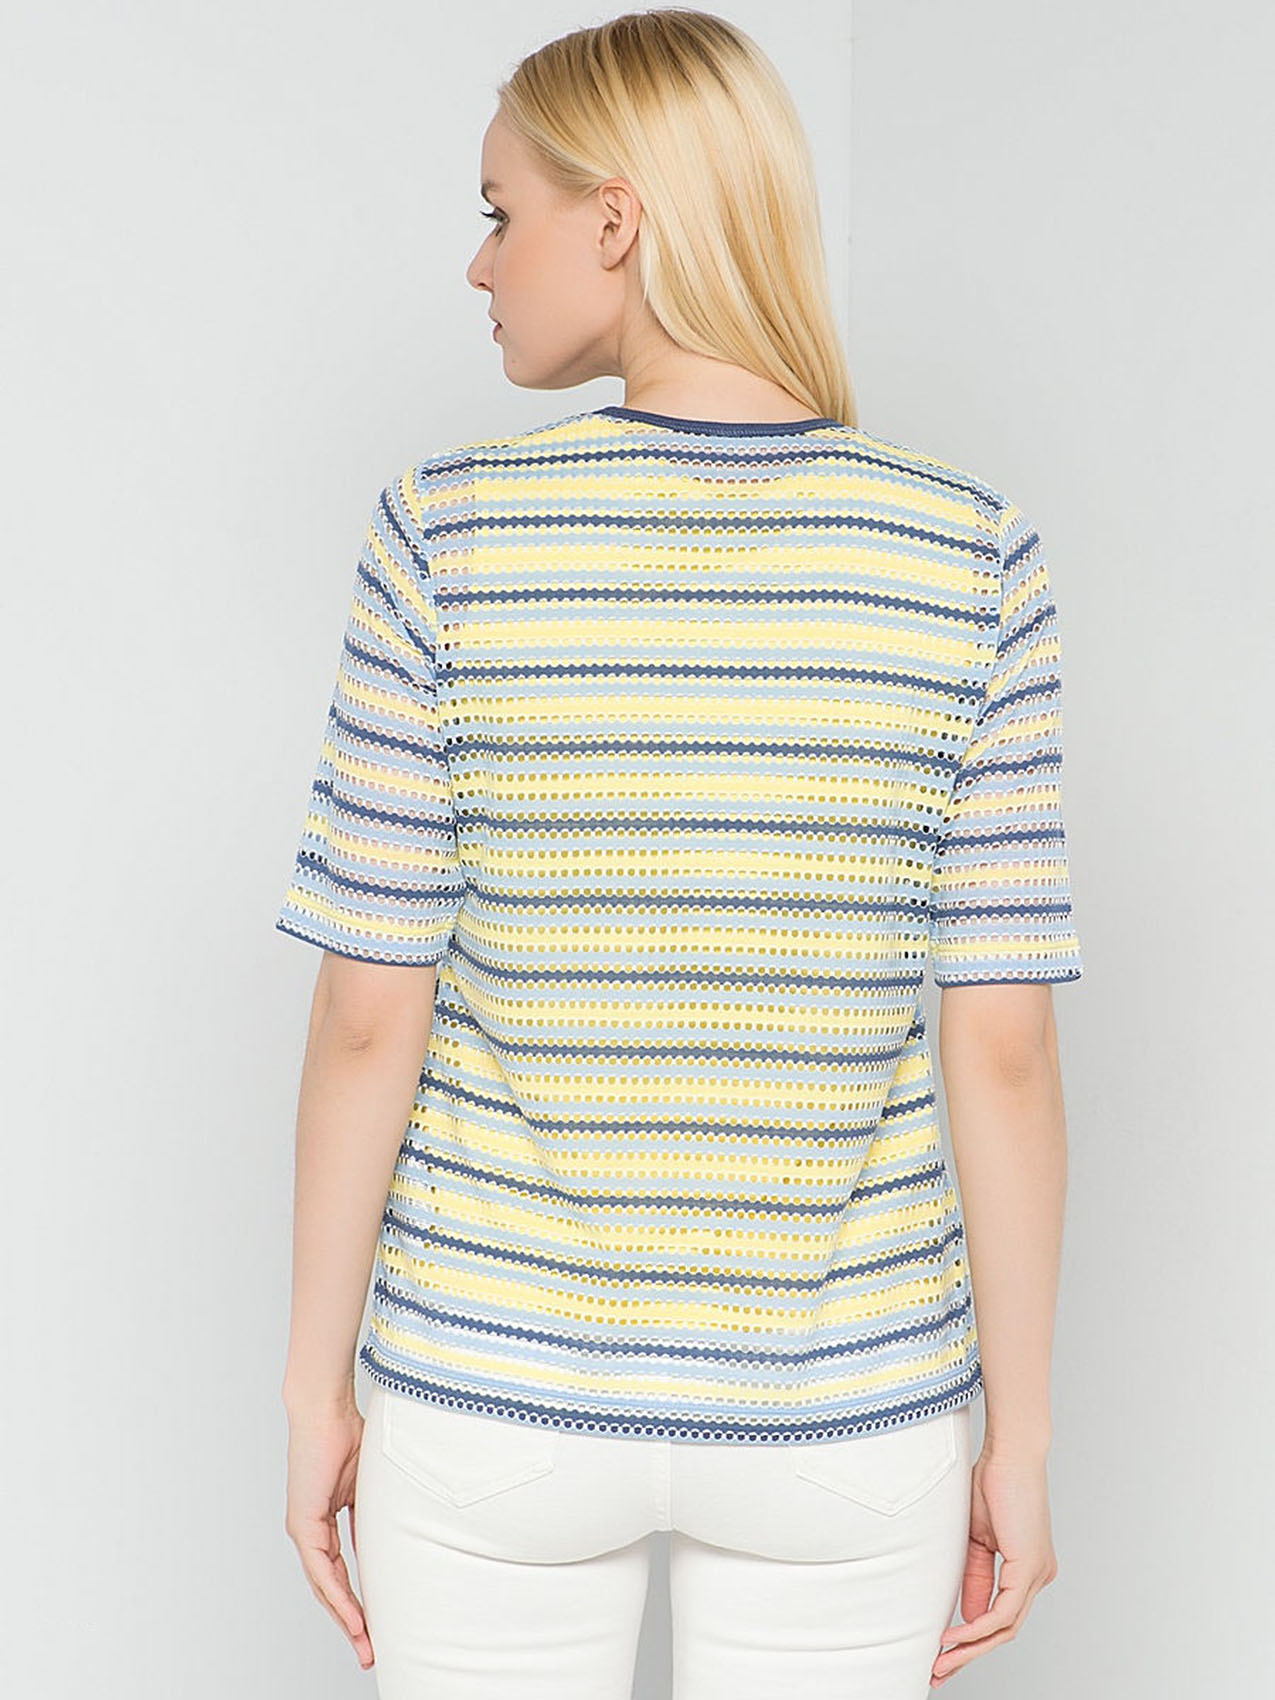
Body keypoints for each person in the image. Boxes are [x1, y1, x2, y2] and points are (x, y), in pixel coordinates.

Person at [275, 10, 1083, 1698]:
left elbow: (367, 1016)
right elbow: (1001, 1049)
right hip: (844, 1414)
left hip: (493, 1394)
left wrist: (311, 1390)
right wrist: (1021, 1435)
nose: (477, 264)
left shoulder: (443, 537)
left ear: (616, 221)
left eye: (500, 212)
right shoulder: (970, 557)